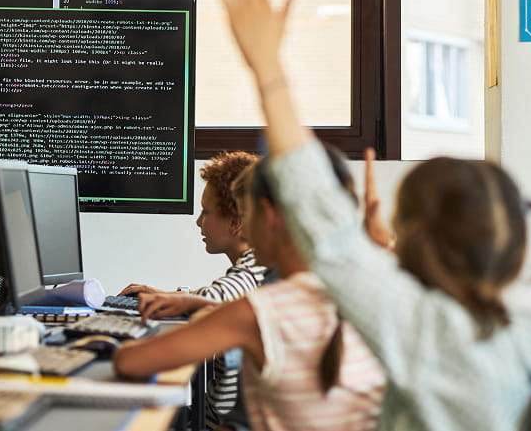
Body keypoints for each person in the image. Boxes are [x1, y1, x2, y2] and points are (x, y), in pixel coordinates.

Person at [218, 0, 531, 431]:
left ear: (419, 236)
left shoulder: (432, 335)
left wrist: (268, 68)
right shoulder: (518, 334)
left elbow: (320, 216)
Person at [114, 154, 386, 431]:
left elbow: (130, 362)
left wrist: (99, 336)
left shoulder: (258, 310)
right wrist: (200, 303)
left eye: (245, 213)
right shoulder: (361, 293)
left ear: (267, 215)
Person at [120, 151, 266, 430]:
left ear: (235, 222)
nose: (199, 221)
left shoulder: (250, 277)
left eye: (206, 212)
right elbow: (214, 295)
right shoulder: (261, 267)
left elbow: (222, 297)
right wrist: (174, 295)